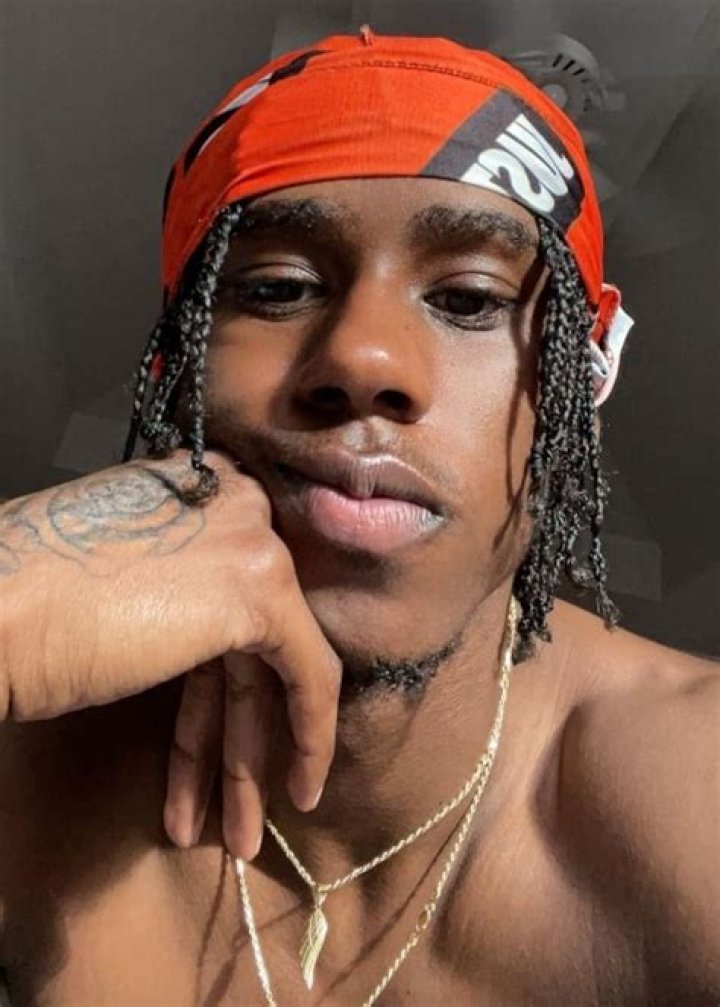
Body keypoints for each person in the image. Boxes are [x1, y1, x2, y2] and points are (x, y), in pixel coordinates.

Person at [0, 27, 717, 1007]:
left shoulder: (695, 795)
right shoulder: (31, 758)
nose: (364, 358)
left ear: (574, 389)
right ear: (174, 375)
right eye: (278, 288)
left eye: (469, 299)